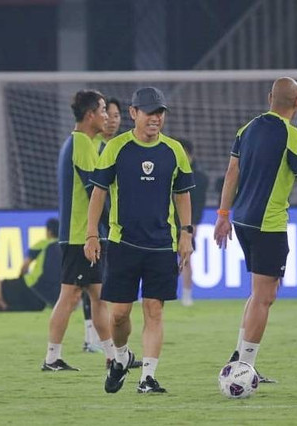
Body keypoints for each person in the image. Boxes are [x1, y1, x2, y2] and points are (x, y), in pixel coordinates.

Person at [214, 77, 297, 383]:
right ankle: (245, 367)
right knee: (264, 298)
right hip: (268, 225)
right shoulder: (291, 136)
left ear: (270, 97)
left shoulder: (246, 129)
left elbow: (232, 173)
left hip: (242, 221)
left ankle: (239, 355)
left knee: (260, 293)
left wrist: (223, 215)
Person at [85, 86, 194, 394]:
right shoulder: (116, 148)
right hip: (123, 243)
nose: (155, 118)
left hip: (161, 244)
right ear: (134, 113)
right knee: (119, 315)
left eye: (160, 112)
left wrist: (186, 233)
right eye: (149, 112)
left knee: (154, 310)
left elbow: (183, 194)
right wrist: (92, 233)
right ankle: (121, 359)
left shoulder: (174, 151)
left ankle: (148, 377)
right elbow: (99, 192)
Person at [42, 90, 116, 372]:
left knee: (98, 295)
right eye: (103, 110)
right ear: (90, 116)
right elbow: (94, 190)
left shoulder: (85, 142)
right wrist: (106, 227)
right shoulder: (82, 144)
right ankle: (52, 357)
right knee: (71, 295)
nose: (107, 116)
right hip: (80, 235)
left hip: (82, 233)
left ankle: (113, 356)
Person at [82, 97, 123, 353]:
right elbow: (94, 191)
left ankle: (101, 339)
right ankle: (91, 337)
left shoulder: (121, 147)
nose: (112, 119)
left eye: (116, 115)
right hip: (100, 225)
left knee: (101, 283)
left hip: (116, 226)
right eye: (107, 114)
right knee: (92, 283)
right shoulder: (95, 147)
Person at [177, 138, 209, 307]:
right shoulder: (170, 171)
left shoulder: (199, 177)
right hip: (167, 221)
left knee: (186, 258)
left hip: (187, 222)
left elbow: (199, 202)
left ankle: (187, 294)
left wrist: (193, 223)